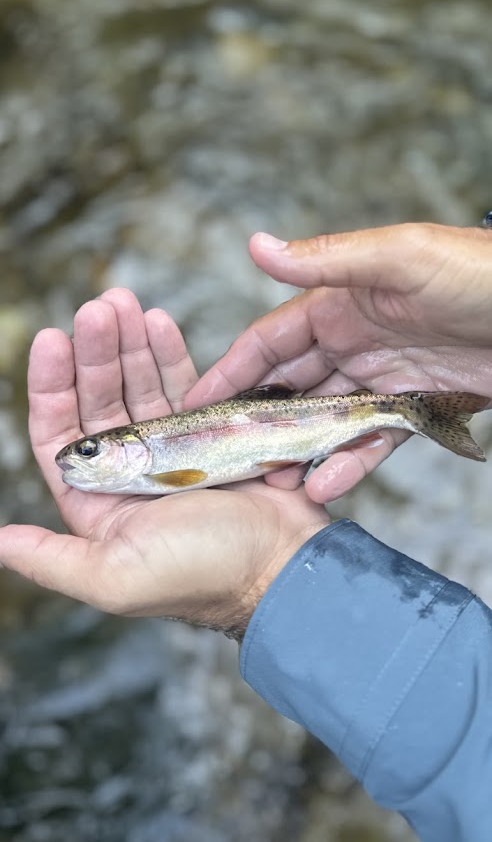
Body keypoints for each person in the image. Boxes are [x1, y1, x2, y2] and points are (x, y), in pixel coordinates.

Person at [1, 221, 492, 842]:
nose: (79, 463)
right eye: (85, 455)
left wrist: (262, 578)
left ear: (129, 446)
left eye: (93, 452)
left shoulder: (166, 464)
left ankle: (421, 412)